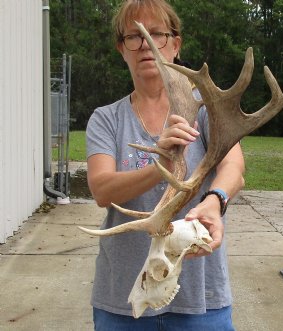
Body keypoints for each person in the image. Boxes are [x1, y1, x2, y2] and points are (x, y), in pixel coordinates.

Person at [86, 0, 245, 330]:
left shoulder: (207, 112)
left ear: (175, 44)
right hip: (125, 300)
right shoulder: (107, 119)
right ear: (122, 48)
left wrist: (215, 201)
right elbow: (102, 190)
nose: (145, 45)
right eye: (134, 36)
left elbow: (234, 168)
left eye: (156, 34)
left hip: (201, 297)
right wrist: (161, 162)